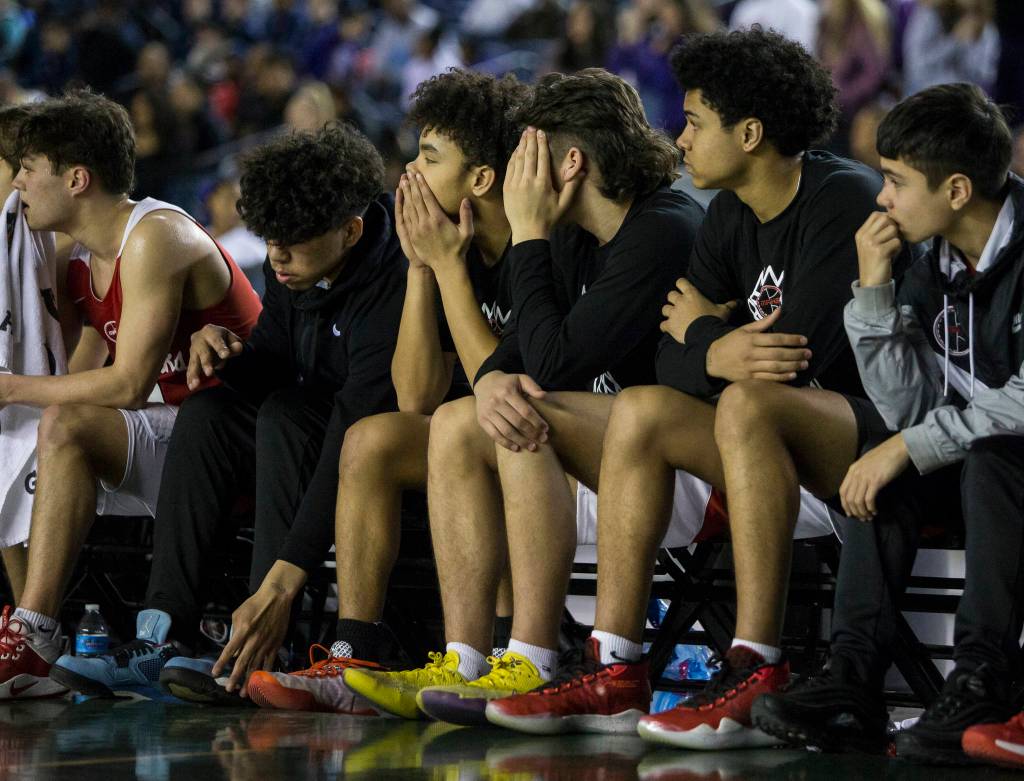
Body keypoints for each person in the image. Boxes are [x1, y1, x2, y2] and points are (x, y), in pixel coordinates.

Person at [485, 28, 914, 743]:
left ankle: (757, 664)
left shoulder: (842, 199)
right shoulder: (728, 217)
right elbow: (666, 359)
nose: (680, 140)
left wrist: (705, 339)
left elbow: (794, 359)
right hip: (755, 439)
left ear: (749, 133)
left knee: (748, 399)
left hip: (867, 440)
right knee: (645, 408)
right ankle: (615, 665)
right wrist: (715, 352)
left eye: (696, 122)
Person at [342, 68, 705, 725]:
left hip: (686, 473)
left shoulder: (662, 228)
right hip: (608, 458)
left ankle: (534, 656)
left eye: (527, 159)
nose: (517, 177)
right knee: (458, 418)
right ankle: (466, 659)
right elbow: (503, 367)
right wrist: (482, 362)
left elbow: (554, 364)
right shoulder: (571, 236)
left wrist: (529, 236)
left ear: (569, 161)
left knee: (521, 414)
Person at [46, 122, 406, 703]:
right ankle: (161, 635)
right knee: (210, 409)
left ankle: (268, 645)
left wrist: (284, 581)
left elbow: (347, 430)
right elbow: (274, 361)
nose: (276, 256)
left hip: (371, 454)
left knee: (285, 414)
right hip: (304, 432)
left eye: (291, 242)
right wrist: (227, 355)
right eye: (267, 239)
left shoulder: (393, 284)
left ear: (351, 231)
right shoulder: (295, 263)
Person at [751, 83, 1024, 766]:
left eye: (897, 181)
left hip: (1009, 463)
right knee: (883, 466)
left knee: (985, 455)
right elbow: (908, 410)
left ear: (957, 189)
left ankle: (983, 679)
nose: (883, 198)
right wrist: (872, 290)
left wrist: (912, 442)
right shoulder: (929, 257)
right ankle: (851, 682)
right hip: (978, 459)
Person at [242, 69, 528, 715]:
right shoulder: (442, 246)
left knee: (476, 427)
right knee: (373, 437)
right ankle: (354, 655)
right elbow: (413, 398)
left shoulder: (532, 244)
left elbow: (505, 383)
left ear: (481, 178)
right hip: (466, 428)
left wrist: (444, 266)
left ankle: (507, 654)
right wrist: (424, 268)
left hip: (537, 426)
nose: (409, 169)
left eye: (429, 156)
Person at [0, 89, 262, 700]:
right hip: (169, 434)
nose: (17, 185)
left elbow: (125, 384)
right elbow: (72, 372)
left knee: (61, 422)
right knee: (26, 434)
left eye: (28, 170)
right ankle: (24, 632)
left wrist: (11, 387)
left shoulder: (154, 235)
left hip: (233, 443)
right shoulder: (77, 257)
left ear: (76, 178)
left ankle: (35, 633)